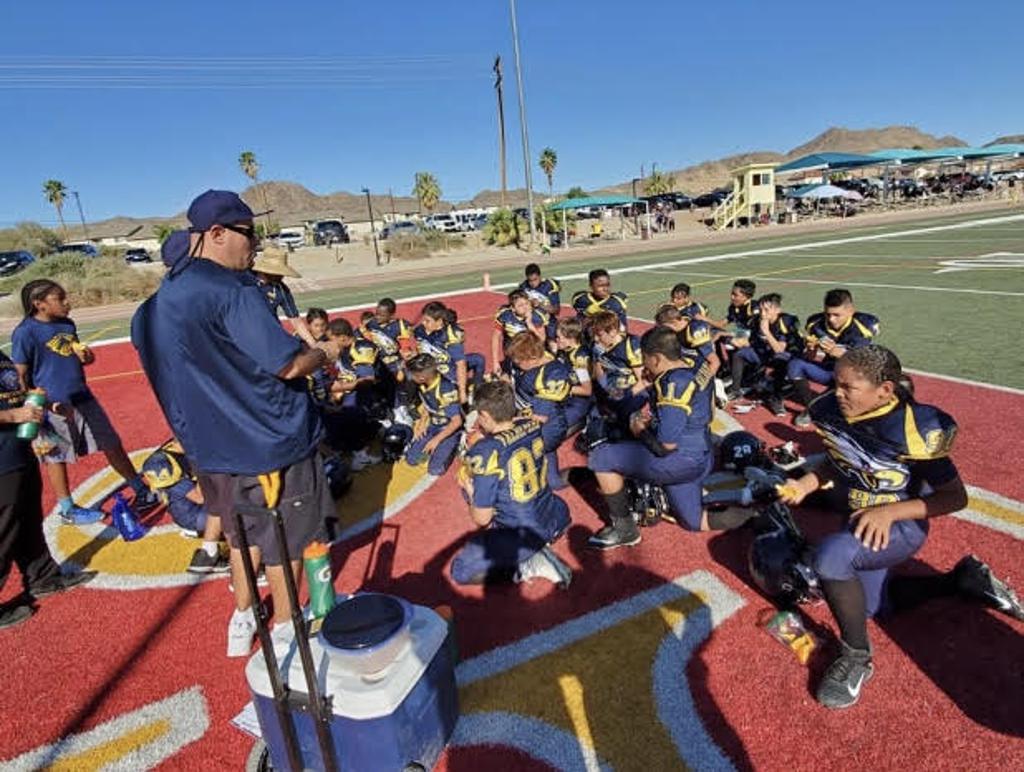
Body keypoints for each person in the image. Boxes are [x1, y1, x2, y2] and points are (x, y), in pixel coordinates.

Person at [130, 189, 341, 657]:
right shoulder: (234, 290)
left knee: (240, 535)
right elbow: (287, 364)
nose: (256, 244)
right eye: (249, 233)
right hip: (270, 442)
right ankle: (286, 629)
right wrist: (325, 353)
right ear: (217, 233)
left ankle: (243, 615)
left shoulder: (150, 310)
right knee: (287, 540)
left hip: (210, 449)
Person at [778, 345, 1023, 708]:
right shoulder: (832, 410)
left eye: (848, 387)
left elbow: (954, 497)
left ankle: (857, 657)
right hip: (860, 518)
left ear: (885, 391)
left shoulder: (911, 428)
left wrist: (890, 513)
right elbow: (839, 460)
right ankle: (961, 580)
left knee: (831, 559)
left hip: (900, 526)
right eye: (835, 383)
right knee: (869, 609)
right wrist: (805, 484)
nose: (836, 393)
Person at [586, 326, 754, 549]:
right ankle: (757, 514)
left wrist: (639, 430)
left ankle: (625, 530)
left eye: (645, 358)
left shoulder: (673, 385)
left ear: (656, 358)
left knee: (601, 457)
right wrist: (644, 384)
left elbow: (664, 447)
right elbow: (709, 371)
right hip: (702, 453)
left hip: (681, 460)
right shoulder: (695, 363)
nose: (643, 363)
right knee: (693, 521)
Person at [13, 280, 159, 524]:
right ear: (39, 304)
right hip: (54, 406)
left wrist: (86, 357)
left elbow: (73, 358)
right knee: (56, 456)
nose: (67, 302)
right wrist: (43, 405)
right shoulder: (25, 332)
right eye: (59, 298)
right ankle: (67, 509)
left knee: (111, 442)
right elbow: (19, 376)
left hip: (82, 396)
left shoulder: (67, 324)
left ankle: (139, 487)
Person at [0, 350, 95, 630]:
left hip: (17, 451)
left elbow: (12, 394)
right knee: (3, 529)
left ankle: (42, 576)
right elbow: (11, 409)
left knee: (28, 518)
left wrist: (38, 404)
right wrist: (14, 414)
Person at [452, 380, 571, 587]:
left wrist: (471, 492)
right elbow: (511, 430)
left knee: (460, 571)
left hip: (524, 533)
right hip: (556, 515)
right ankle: (535, 547)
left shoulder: (484, 451)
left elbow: (481, 519)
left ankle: (527, 566)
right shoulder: (531, 423)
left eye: (480, 415)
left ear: (485, 415)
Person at [788, 288, 880, 427]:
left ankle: (846, 405)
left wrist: (839, 353)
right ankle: (813, 407)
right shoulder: (816, 324)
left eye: (837, 315)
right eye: (828, 314)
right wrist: (811, 349)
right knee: (795, 364)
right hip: (830, 370)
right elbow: (810, 357)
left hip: (854, 374)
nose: (831, 319)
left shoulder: (862, 325)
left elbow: (863, 360)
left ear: (851, 311)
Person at [506, 331, 571, 490]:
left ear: (533, 358)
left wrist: (508, 422)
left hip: (546, 429)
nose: (517, 364)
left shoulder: (550, 376)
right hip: (539, 419)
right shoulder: (542, 358)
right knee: (554, 482)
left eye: (519, 362)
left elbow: (541, 418)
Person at [726, 293, 802, 411]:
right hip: (767, 353)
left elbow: (779, 349)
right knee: (739, 354)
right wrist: (736, 340)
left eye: (766, 310)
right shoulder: (757, 320)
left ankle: (776, 397)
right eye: (761, 309)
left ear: (777, 310)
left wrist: (766, 332)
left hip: (789, 357)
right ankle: (736, 389)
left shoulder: (785, 322)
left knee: (780, 359)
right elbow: (750, 339)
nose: (763, 313)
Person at [404, 354, 463, 477]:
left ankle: (456, 443)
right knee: (411, 459)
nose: (410, 377)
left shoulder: (446, 389)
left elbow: (457, 421)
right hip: (434, 425)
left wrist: (436, 440)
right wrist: (422, 424)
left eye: (413, 374)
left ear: (421, 377)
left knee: (435, 470)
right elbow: (428, 404)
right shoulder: (423, 384)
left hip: (449, 428)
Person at [590, 310, 647, 427]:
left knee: (626, 422)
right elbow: (598, 374)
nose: (596, 339)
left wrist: (624, 396)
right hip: (612, 390)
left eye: (599, 335)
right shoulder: (598, 347)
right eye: (594, 334)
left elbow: (644, 380)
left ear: (613, 331)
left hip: (632, 392)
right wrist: (606, 389)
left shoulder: (630, 346)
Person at [252, 247, 317, 347]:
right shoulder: (247, 282)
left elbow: (296, 320)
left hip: (271, 336)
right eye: (279, 272)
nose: (282, 276)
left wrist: (313, 344)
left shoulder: (281, 289)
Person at [415, 301, 468, 404]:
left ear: (439, 321)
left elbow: (460, 364)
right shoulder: (420, 331)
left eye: (427, 321)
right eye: (423, 320)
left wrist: (462, 392)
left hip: (447, 376)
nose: (423, 323)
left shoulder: (450, 336)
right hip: (428, 373)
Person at [491, 289, 551, 376]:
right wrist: (495, 361)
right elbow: (496, 337)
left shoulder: (537, 316)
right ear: (513, 308)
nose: (525, 307)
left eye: (527, 303)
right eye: (520, 305)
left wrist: (529, 323)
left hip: (533, 354)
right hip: (514, 355)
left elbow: (541, 340)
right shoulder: (505, 316)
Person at [554, 316, 593, 434]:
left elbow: (587, 390)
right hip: (564, 395)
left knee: (555, 427)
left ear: (571, 338)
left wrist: (563, 388)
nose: (556, 340)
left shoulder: (580, 358)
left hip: (578, 400)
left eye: (559, 337)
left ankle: (583, 421)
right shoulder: (564, 350)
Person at [653, 303, 718, 371]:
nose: (662, 329)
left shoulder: (695, 331)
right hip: (684, 362)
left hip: (698, 369)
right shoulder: (679, 323)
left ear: (674, 322)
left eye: (663, 326)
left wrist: (702, 378)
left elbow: (714, 362)